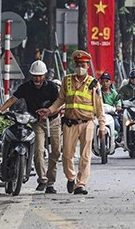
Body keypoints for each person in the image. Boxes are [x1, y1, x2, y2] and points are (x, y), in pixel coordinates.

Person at [39, 50, 105, 195]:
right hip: (69, 123)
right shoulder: (66, 80)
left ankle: (80, 184)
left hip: (87, 123)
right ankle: (71, 178)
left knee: (85, 155)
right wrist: (49, 110)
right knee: (67, 155)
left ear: (88, 66)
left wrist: (101, 126)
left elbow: (99, 106)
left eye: (83, 64)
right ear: (74, 65)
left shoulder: (93, 83)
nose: (80, 66)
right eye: (78, 64)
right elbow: (60, 100)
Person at [0, 60, 61, 193]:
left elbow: (59, 104)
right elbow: (12, 99)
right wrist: (0, 110)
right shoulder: (26, 87)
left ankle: (50, 183)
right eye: (35, 75)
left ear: (45, 75)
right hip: (36, 122)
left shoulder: (52, 88)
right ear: (31, 75)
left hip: (53, 121)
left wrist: (48, 112)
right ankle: (42, 179)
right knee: (38, 151)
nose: (37, 78)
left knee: (55, 152)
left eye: (40, 75)